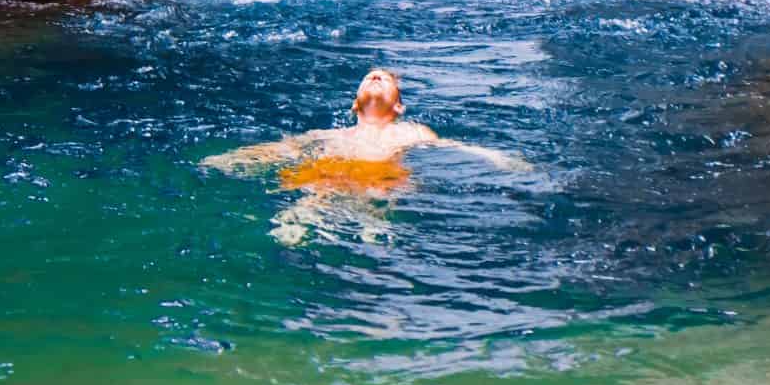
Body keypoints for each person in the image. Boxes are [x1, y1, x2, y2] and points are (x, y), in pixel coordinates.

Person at [202, 68, 527, 242]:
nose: (375, 77)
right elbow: (282, 148)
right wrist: (234, 159)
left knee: (378, 195)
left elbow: (456, 147)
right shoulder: (332, 134)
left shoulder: (411, 131)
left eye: (383, 79)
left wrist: (499, 159)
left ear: (398, 105)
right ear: (355, 103)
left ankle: (373, 227)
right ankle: (298, 222)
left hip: (379, 176)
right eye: (369, 77)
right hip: (328, 173)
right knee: (313, 194)